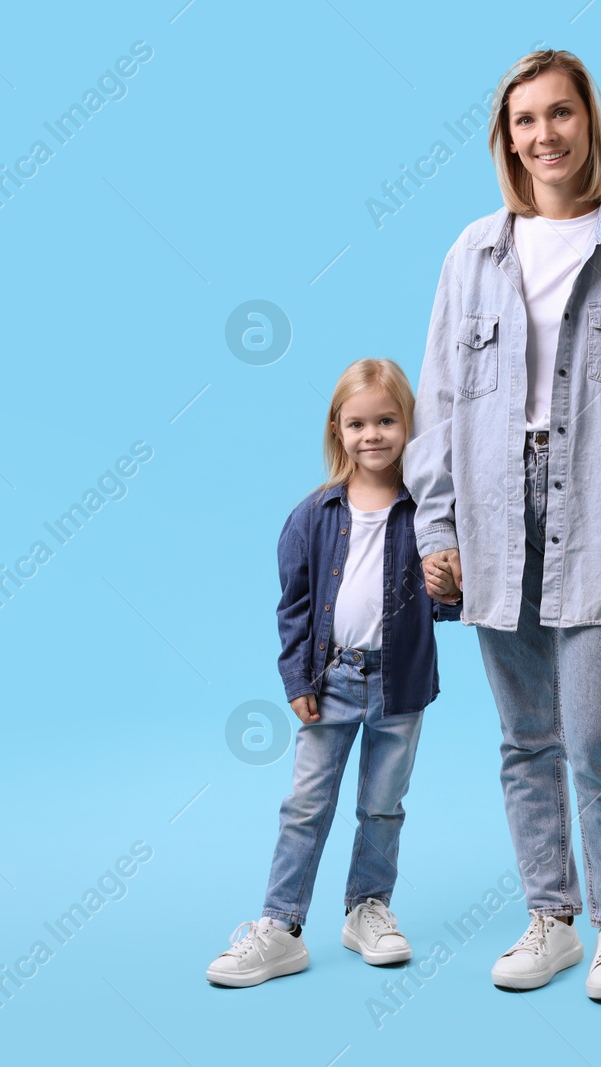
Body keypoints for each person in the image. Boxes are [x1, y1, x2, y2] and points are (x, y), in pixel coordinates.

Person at [403, 48, 601, 1002]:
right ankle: (552, 916)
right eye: (525, 120)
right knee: (523, 737)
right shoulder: (472, 252)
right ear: (506, 139)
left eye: (560, 113)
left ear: (591, 121)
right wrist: (436, 525)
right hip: (495, 513)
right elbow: (443, 400)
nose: (545, 135)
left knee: (597, 735)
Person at [206, 358, 462, 988]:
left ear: (410, 426)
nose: (372, 434)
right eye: (357, 423)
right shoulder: (313, 514)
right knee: (305, 804)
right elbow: (293, 606)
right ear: (337, 431)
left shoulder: (426, 514)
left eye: (386, 420)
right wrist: (297, 681)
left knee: (382, 805)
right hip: (333, 682)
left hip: (401, 685)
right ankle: (281, 925)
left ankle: (367, 908)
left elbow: (446, 606)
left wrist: (451, 587)